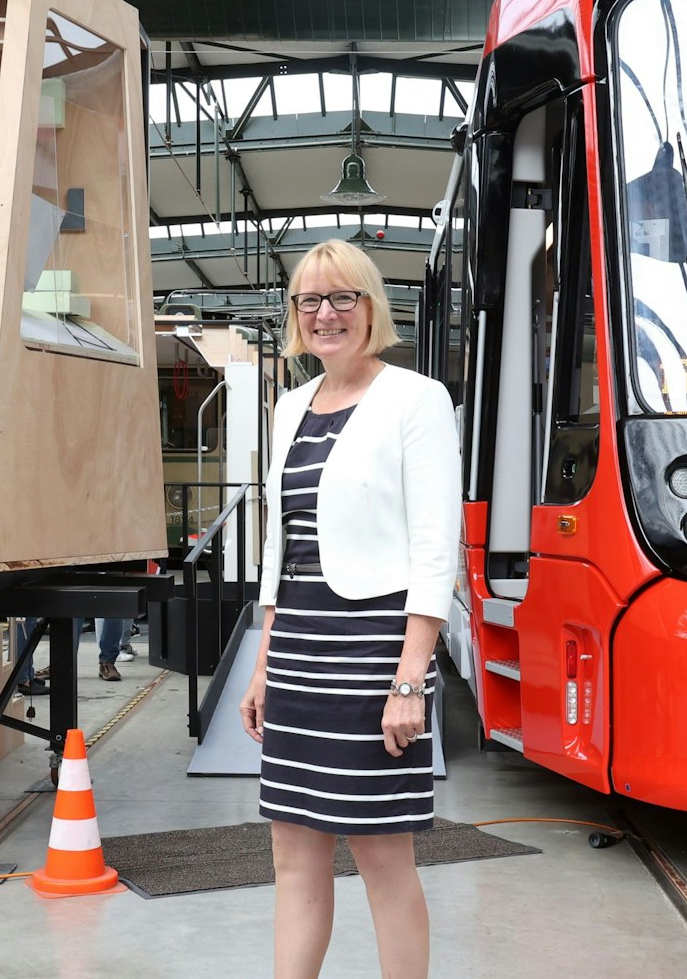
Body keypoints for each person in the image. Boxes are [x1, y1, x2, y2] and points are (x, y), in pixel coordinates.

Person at [238, 239, 460, 979]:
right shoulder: (290, 407)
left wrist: (410, 680)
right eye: (310, 300)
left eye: (342, 297)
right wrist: (263, 665)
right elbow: (281, 549)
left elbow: (435, 550)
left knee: (382, 855)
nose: (325, 314)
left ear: (371, 307)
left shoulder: (416, 398)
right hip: (299, 649)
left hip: (375, 651)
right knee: (292, 853)